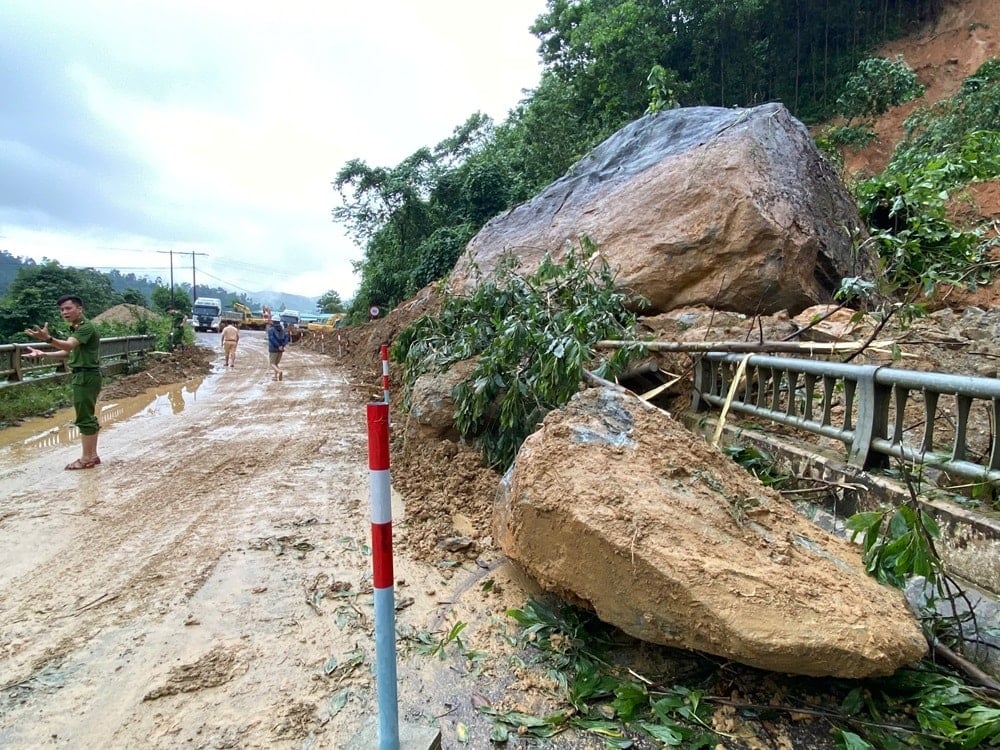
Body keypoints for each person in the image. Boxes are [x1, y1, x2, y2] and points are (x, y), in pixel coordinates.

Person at [23, 294, 103, 470]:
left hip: (85, 376)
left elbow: (67, 346)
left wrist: (48, 339)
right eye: (62, 310)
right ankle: (92, 455)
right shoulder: (75, 328)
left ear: (79, 309)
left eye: (68, 308)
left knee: (84, 417)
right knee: (87, 415)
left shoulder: (86, 327)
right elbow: (69, 353)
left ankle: (86, 459)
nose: (64, 312)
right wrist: (45, 354)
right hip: (84, 375)